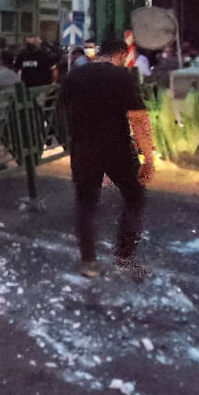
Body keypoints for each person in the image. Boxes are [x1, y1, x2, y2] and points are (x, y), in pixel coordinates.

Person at [59, 40, 157, 280]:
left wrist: (70, 143)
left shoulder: (74, 77)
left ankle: (88, 262)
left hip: (84, 147)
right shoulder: (122, 76)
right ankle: (124, 258)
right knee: (134, 198)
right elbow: (138, 117)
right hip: (118, 148)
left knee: (86, 204)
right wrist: (148, 156)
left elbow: (61, 112)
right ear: (121, 54)